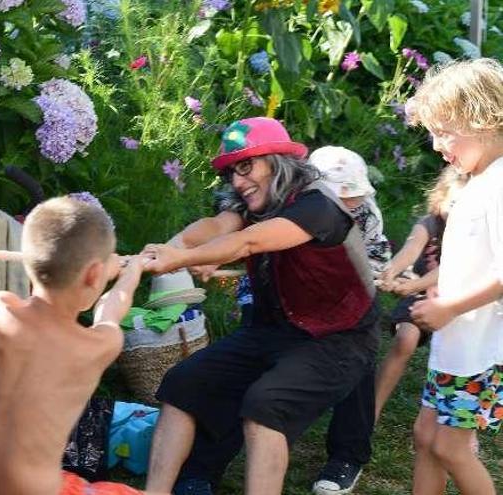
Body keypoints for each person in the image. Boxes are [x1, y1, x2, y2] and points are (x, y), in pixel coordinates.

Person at [141, 117, 380, 495]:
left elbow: (249, 242)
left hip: (339, 339)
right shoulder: (252, 203)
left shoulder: (317, 206)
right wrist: (170, 247)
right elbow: (218, 228)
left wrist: (177, 260)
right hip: (274, 329)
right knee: (182, 383)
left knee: (264, 406)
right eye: (233, 170)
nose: (237, 180)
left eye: (246, 166)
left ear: (277, 161)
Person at [0, 196, 150, 495]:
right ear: (93, 275)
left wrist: (99, 265)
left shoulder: (0, 309)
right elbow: (112, 306)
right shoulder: (97, 345)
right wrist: (131, 271)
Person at [405, 58, 503, 495]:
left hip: (481, 350)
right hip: (457, 346)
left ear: (483, 118)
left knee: (450, 447)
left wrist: (450, 307)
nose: (436, 144)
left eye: (444, 131)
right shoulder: (477, 181)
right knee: (426, 438)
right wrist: (428, 287)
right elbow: (473, 257)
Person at [307, 146, 392, 495]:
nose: (350, 205)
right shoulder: (294, 211)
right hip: (295, 296)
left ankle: (347, 454)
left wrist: (365, 280)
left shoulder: (367, 214)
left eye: (354, 197)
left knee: (358, 351)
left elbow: (378, 259)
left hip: (351, 293)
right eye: (341, 198)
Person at [374, 168, 467, 420]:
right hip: (420, 295)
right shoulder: (430, 223)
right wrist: (392, 270)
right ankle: (371, 411)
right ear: (441, 197)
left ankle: (462, 426)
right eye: (454, 203)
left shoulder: (472, 234)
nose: (457, 211)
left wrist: (412, 286)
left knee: (461, 359)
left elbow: (448, 271)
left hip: (461, 301)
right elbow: (411, 248)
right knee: (405, 339)